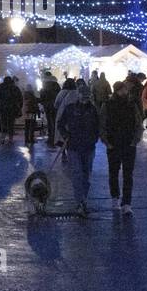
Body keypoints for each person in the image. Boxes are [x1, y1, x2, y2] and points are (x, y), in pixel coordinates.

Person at [59, 84, 101, 216]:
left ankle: (83, 199)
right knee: (77, 174)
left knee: (86, 175)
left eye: (87, 96)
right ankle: (80, 201)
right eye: (83, 95)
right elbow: (60, 123)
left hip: (88, 146)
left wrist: (94, 138)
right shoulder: (70, 109)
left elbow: (98, 125)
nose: (85, 98)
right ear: (78, 95)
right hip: (74, 146)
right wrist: (66, 135)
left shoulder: (93, 110)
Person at [102, 80, 139, 215]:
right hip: (114, 144)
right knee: (114, 172)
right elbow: (103, 123)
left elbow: (138, 122)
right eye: (122, 90)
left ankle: (126, 203)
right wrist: (106, 142)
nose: (124, 92)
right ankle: (116, 198)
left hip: (128, 144)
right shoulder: (108, 105)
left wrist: (135, 140)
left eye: (125, 90)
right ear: (116, 91)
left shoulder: (131, 105)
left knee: (127, 174)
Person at [0, 75, 22, 143]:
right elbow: (20, 98)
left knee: (3, 123)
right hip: (12, 108)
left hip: (3, 108)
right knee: (11, 124)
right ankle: (10, 139)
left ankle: (2, 138)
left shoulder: (0, 88)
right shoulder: (15, 88)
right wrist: (19, 107)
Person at [53, 77, 78, 143]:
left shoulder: (62, 92)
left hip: (62, 112)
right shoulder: (76, 93)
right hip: (74, 115)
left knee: (62, 130)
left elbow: (56, 104)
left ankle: (63, 146)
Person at [38, 70, 60, 144]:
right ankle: (55, 138)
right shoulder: (56, 84)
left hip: (47, 106)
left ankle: (51, 138)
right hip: (55, 106)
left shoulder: (45, 85)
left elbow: (42, 96)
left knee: (50, 122)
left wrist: (42, 102)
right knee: (54, 121)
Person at [22, 84, 41, 148]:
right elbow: (34, 102)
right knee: (31, 126)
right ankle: (31, 139)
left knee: (27, 126)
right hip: (31, 111)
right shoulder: (31, 94)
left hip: (26, 111)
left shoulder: (25, 94)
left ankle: (26, 139)